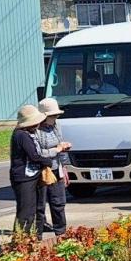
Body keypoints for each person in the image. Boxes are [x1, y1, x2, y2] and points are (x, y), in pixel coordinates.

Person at [10, 105, 55, 238]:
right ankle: (19, 241)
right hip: (23, 178)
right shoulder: (21, 135)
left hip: (31, 177)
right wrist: (47, 162)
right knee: (25, 211)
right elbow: (33, 156)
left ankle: (28, 239)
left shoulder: (27, 134)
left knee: (32, 210)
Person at [35, 98, 72, 238]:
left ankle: (61, 232)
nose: (55, 118)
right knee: (39, 205)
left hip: (57, 168)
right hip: (42, 170)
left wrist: (65, 167)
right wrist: (55, 150)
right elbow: (36, 153)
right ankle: (37, 234)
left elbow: (61, 146)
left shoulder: (57, 125)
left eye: (56, 115)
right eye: (52, 115)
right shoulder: (35, 129)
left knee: (59, 202)